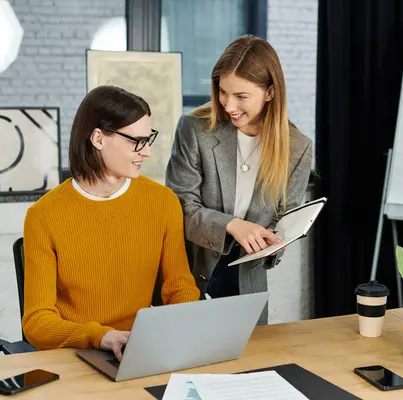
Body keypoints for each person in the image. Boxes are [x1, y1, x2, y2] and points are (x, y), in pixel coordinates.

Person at [22, 85, 200, 361]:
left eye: (147, 140)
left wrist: (173, 333)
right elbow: (37, 322)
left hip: (140, 350)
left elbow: (180, 289)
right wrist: (99, 336)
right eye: (135, 141)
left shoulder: (162, 202)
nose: (146, 152)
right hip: (76, 355)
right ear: (98, 138)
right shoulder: (44, 215)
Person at [165, 35, 313, 324]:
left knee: (250, 367)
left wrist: (276, 241)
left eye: (241, 96)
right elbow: (180, 207)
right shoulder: (195, 129)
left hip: (249, 288)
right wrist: (233, 226)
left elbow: (284, 220)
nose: (229, 105)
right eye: (223, 92)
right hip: (190, 279)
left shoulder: (297, 147)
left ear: (270, 92)